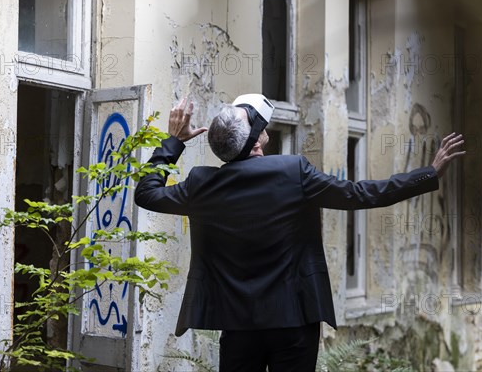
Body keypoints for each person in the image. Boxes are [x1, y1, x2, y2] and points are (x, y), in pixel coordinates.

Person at [134, 94, 465, 372]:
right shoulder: (293, 172)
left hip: (237, 326)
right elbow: (361, 194)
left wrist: (173, 142)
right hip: (294, 321)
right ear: (254, 143)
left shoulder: (201, 184)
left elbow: (146, 193)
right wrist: (428, 173)